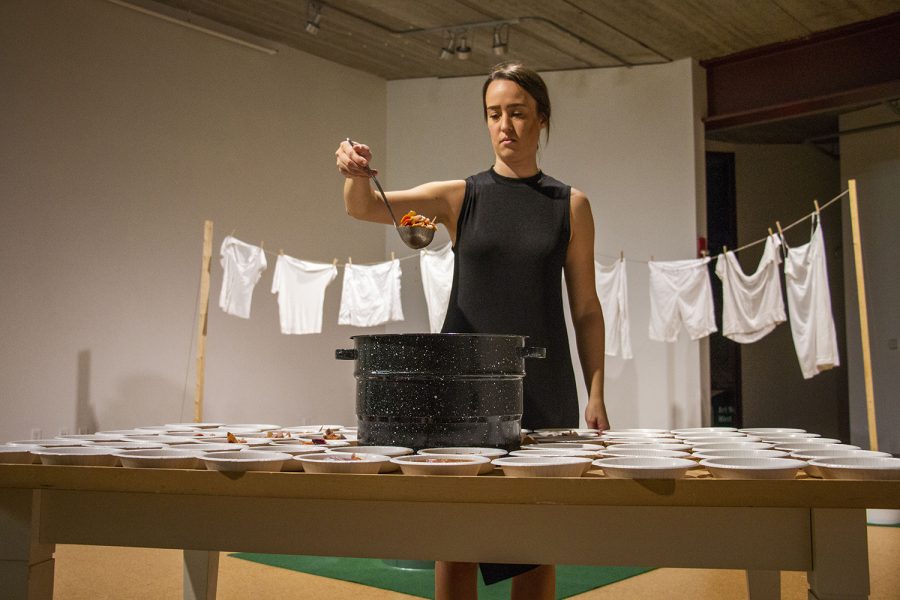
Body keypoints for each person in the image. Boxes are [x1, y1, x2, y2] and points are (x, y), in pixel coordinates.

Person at [335, 62, 608, 600]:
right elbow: (365, 207)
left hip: (542, 387)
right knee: (455, 543)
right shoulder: (461, 197)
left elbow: (586, 308)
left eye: (518, 113)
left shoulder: (569, 205)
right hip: (459, 390)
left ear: (542, 119)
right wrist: (352, 169)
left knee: (532, 551)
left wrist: (597, 390)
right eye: (494, 114)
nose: (505, 125)